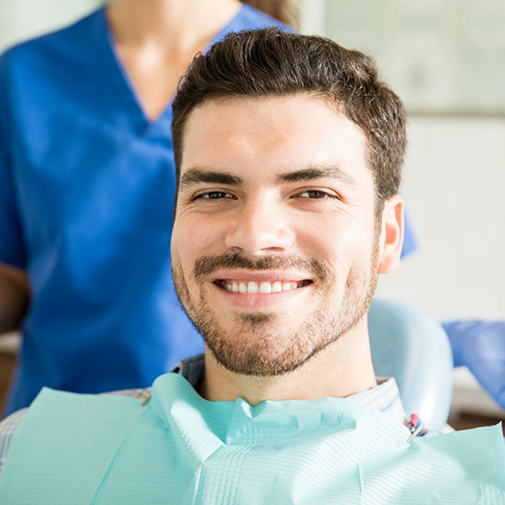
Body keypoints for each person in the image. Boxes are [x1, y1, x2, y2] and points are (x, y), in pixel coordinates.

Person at [0, 29, 503, 503]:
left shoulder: (473, 485)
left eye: (312, 192)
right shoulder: (25, 449)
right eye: (215, 192)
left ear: (388, 235)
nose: (256, 237)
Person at [0, 0, 293, 416]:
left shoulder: (299, 73)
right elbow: (15, 278)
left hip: (229, 424)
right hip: (59, 420)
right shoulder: (24, 76)